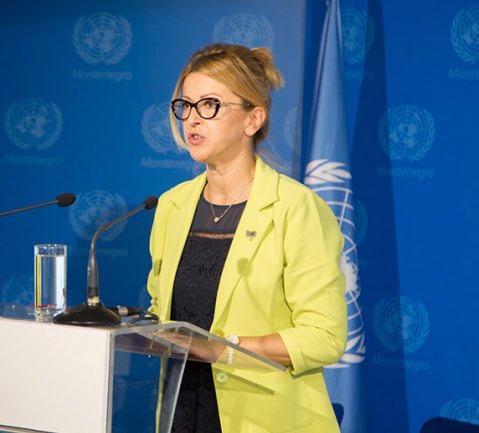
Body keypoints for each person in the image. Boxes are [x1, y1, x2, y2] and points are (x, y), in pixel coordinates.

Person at [146, 43, 347, 433]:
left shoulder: (296, 208)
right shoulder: (172, 206)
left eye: (210, 105)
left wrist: (222, 350)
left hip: (266, 421)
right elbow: (161, 311)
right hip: (181, 411)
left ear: (253, 119)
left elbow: (324, 337)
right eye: (185, 105)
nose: (192, 119)